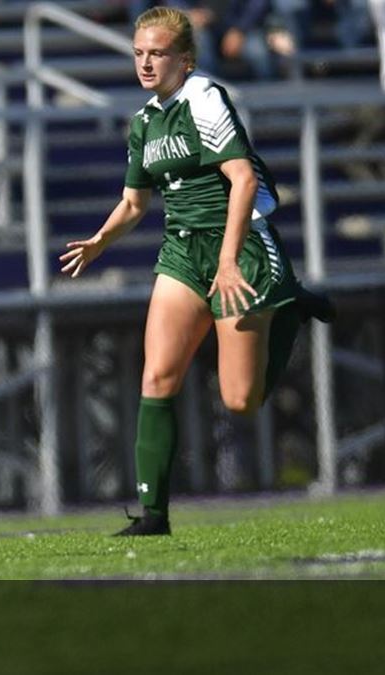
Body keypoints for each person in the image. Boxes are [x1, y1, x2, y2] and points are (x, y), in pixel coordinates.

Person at [59, 7, 334, 536]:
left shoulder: (205, 97)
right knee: (157, 374)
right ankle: (154, 514)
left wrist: (229, 260)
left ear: (185, 60)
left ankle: (290, 307)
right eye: (139, 53)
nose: (145, 63)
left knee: (240, 399)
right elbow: (135, 203)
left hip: (241, 245)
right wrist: (99, 241)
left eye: (157, 54)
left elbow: (244, 181)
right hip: (182, 252)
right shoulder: (144, 120)